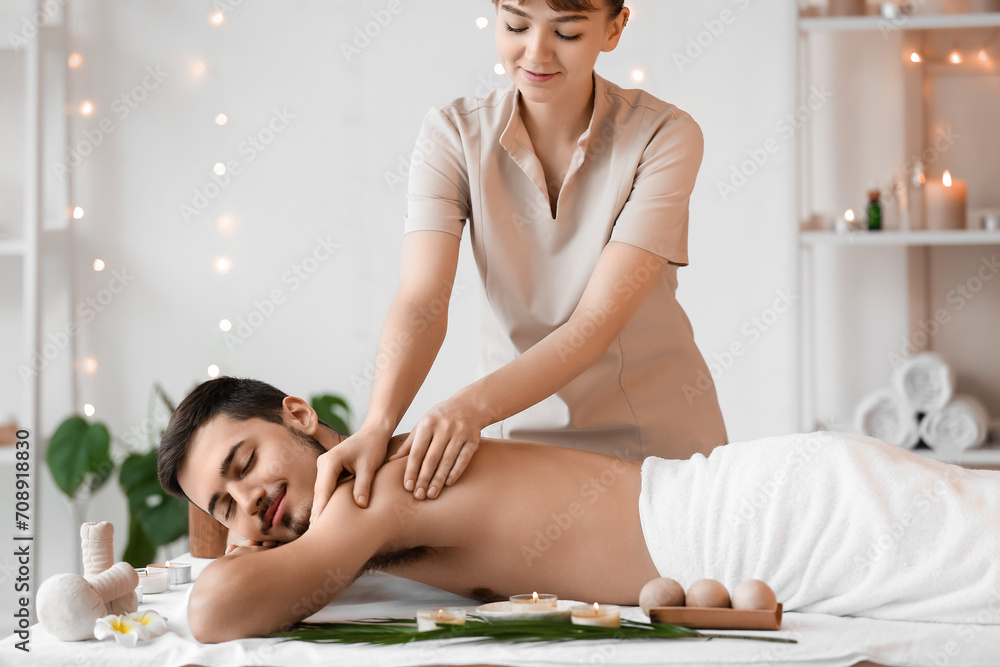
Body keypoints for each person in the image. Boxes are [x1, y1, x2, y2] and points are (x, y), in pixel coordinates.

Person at [157, 378, 1000, 643]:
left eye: (245, 463)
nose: (250, 503)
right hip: (752, 520)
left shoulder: (368, 491)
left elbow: (216, 608)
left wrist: (232, 553)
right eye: (223, 503)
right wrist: (241, 537)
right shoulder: (355, 519)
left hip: (768, 516)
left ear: (299, 416)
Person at [318, 0, 729, 520]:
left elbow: (595, 323)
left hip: (656, 448)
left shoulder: (664, 135)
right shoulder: (453, 135)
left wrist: (469, 407)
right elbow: (422, 299)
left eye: (568, 32)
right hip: (524, 445)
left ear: (614, 29)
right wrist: (378, 424)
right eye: (515, 25)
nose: (535, 52)